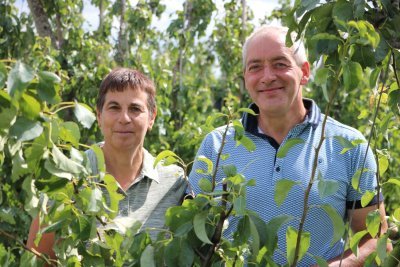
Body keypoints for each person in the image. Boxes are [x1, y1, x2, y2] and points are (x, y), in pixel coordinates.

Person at [188, 25, 391, 266]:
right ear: (245, 78)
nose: (267, 76)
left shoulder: (350, 146)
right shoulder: (217, 145)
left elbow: (377, 241)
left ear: (304, 72)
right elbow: (192, 235)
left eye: (280, 64)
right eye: (255, 67)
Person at [27, 68, 187, 262]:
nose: (124, 118)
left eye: (135, 109)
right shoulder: (67, 178)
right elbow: (38, 260)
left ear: (151, 117)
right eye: (114, 107)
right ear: (99, 116)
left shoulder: (174, 182)